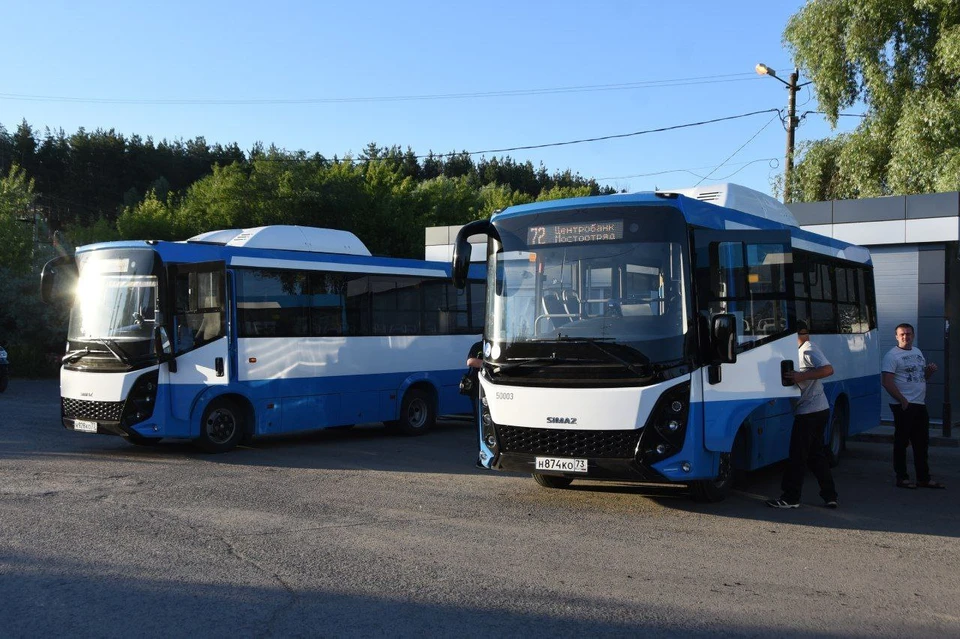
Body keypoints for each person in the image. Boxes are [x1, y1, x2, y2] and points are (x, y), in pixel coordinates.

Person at [767, 322, 839, 509]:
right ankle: (830, 495)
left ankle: (790, 498)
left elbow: (828, 369)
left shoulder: (808, 349)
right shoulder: (798, 350)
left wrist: (801, 376)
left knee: (797, 455)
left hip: (810, 412)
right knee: (816, 455)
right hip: (817, 410)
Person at [881, 323, 946, 489]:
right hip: (903, 404)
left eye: (908, 334)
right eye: (902, 334)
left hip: (919, 403)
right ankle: (902, 477)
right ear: (896, 336)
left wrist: (929, 372)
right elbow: (887, 382)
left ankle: (923, 478)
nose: (905, 337)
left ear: (913, 335)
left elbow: (921, 377)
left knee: (921, 443)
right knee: (902, 442)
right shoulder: (892, 356)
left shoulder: (917, 352)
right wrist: (902, 400)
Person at [460, 341, 483, 420]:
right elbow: (470, 362)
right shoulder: (478, 346)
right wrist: (489, 364)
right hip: (477, 387)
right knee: (479, 415)